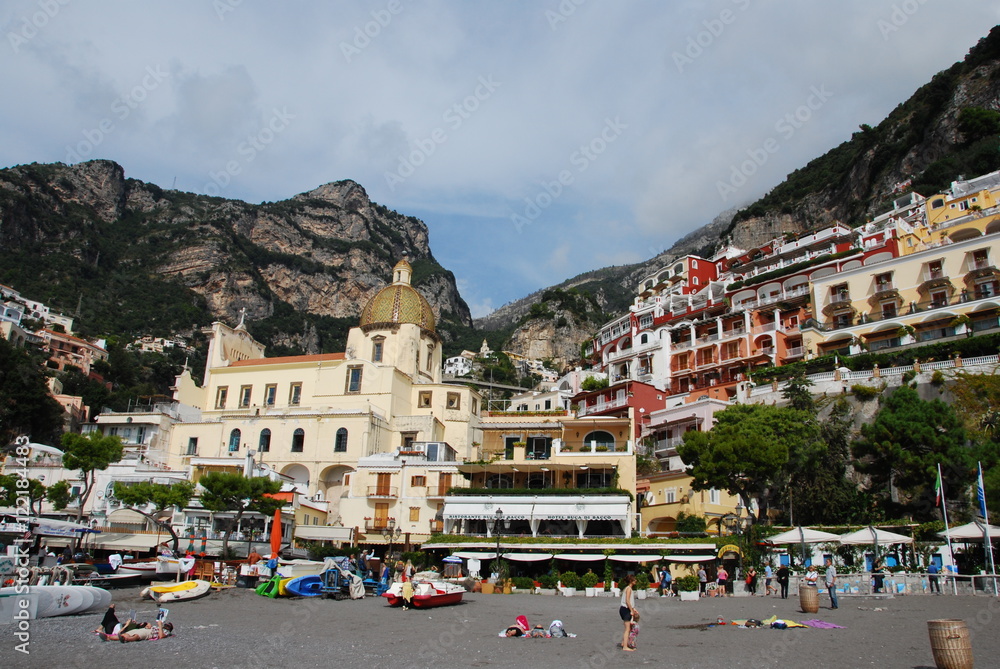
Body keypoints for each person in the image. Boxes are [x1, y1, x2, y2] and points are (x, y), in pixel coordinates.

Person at [619, 574, 637, 652]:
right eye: (634, 580)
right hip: (625, 609)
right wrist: (631, 611)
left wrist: (633, 609)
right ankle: (625, 647)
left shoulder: (627, 588)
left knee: (627, 627)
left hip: (624, 609)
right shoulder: (629, 589)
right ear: (631, 581)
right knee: (627, 629)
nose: (636, 581)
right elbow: (627, 601)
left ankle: (624, 643)